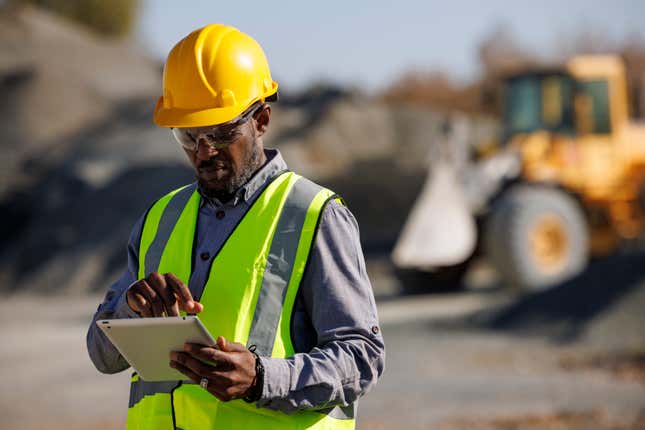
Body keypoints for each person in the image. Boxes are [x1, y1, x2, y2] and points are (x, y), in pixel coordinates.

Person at [86, 23, 385, 430]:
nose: (204, 152)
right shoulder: (160, 219)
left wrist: (261, 379)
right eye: (188, 137)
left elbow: (361, 356)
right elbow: (102, 357)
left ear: (261, 119)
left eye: (221, 132)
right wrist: (130, 310)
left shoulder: (315, 216)